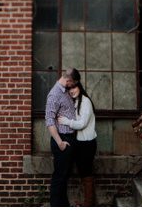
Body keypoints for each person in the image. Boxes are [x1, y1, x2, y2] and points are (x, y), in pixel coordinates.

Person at [58, 68, 97, 207]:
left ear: (79, 86)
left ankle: (88, 205)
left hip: (87, 144)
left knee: (86, 174)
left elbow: (81, 124)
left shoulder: (85, 102)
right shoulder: (76, 102)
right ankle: (88, 203)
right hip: (79, 143)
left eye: (73, 87)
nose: (71, 90)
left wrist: (66, 122)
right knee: (83, 173)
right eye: (69, 89)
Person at [44, 68, 77, 206]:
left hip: (69, 138)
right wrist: (60, 143)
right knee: (59, 177)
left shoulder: (65, 92)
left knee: (64, 176)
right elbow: (49, 120)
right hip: (61, 139)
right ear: (68, 80)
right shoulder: (55, 94)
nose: (73, 86)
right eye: (73, 83)